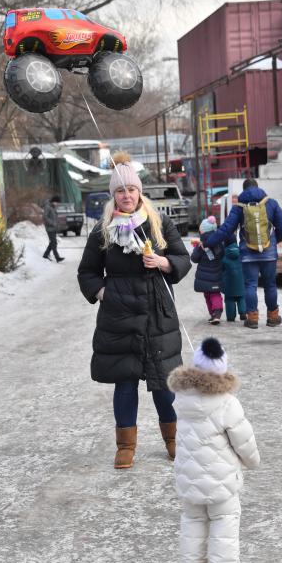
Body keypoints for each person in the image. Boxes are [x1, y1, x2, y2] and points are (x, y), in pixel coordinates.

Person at [77, 152, 191, 469]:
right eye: (120, 191)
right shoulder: (104, 230)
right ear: (113, 195)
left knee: (163, 383)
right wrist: (104, 293)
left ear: (140, 191)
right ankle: (125, 445)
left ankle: (174, 440)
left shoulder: (159, 222)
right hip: (119, 316)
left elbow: (183, 259)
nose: (127, 196)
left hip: (157, 313)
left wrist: (163, 262)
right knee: (125, 382)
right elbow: (86, 273)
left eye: (131, 190)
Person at [168, 337, 260, 563]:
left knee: (192, 519)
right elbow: (244, 439)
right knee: (225, 519)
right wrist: (252, 461)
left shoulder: (182, 399)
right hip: (222, 480)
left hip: (188, 477)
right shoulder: (227, 403)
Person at [206, 178, 282, 329]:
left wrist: (209, 241)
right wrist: (276, 241)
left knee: (250, 285)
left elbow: (226, 229)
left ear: (244, 190)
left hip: (248, 253)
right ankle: (273, 316)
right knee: (270, 284)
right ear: (258, 188)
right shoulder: (271, 203)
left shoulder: (239, 207)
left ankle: (252, 318)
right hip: (269, 252)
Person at [190, 216, 224, 325]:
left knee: (208, 295)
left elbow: (194, 259)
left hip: (204, 277)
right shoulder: (219, 242)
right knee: (216, 293)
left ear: (202, 231)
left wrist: (197, 249)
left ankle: (213, 314)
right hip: (217, 273)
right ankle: (217, 313)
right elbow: (222, 254)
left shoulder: (201, 245)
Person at [221, 232, 247, 322]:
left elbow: (221, 268)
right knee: (242, 297)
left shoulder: (224, 255)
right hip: (241, 281)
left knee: (229, 299)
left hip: (228, 283)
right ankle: (243, 312)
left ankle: (231, 317)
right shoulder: (241, 253)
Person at [43, 195, 64, 262]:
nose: (57, 204)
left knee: (52, 242)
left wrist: (57, 224)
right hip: (49, 228)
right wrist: (53, 223)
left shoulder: (53, 207)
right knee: (54, 242)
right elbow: (45, 217)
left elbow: (54, 217)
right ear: (53, 201)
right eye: (57, 202)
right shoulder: (48, 207)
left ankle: (46, 255)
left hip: (53, 228)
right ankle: (57, 257)